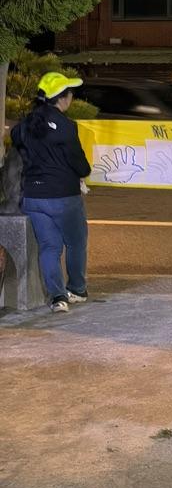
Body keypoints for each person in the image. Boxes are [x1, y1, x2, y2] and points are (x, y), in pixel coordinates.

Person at [11, 72, 92, 313]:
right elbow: (79, 164)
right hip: (63, 196)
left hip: (33, 197)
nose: (71, 98)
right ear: (62, 98)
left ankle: (58, 298)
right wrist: (84, 172)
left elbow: (19, 143)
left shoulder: (25, 125)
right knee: (76, 242)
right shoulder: (65, 126)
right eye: (70, 94)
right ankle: (76, 289)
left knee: (49, 247)